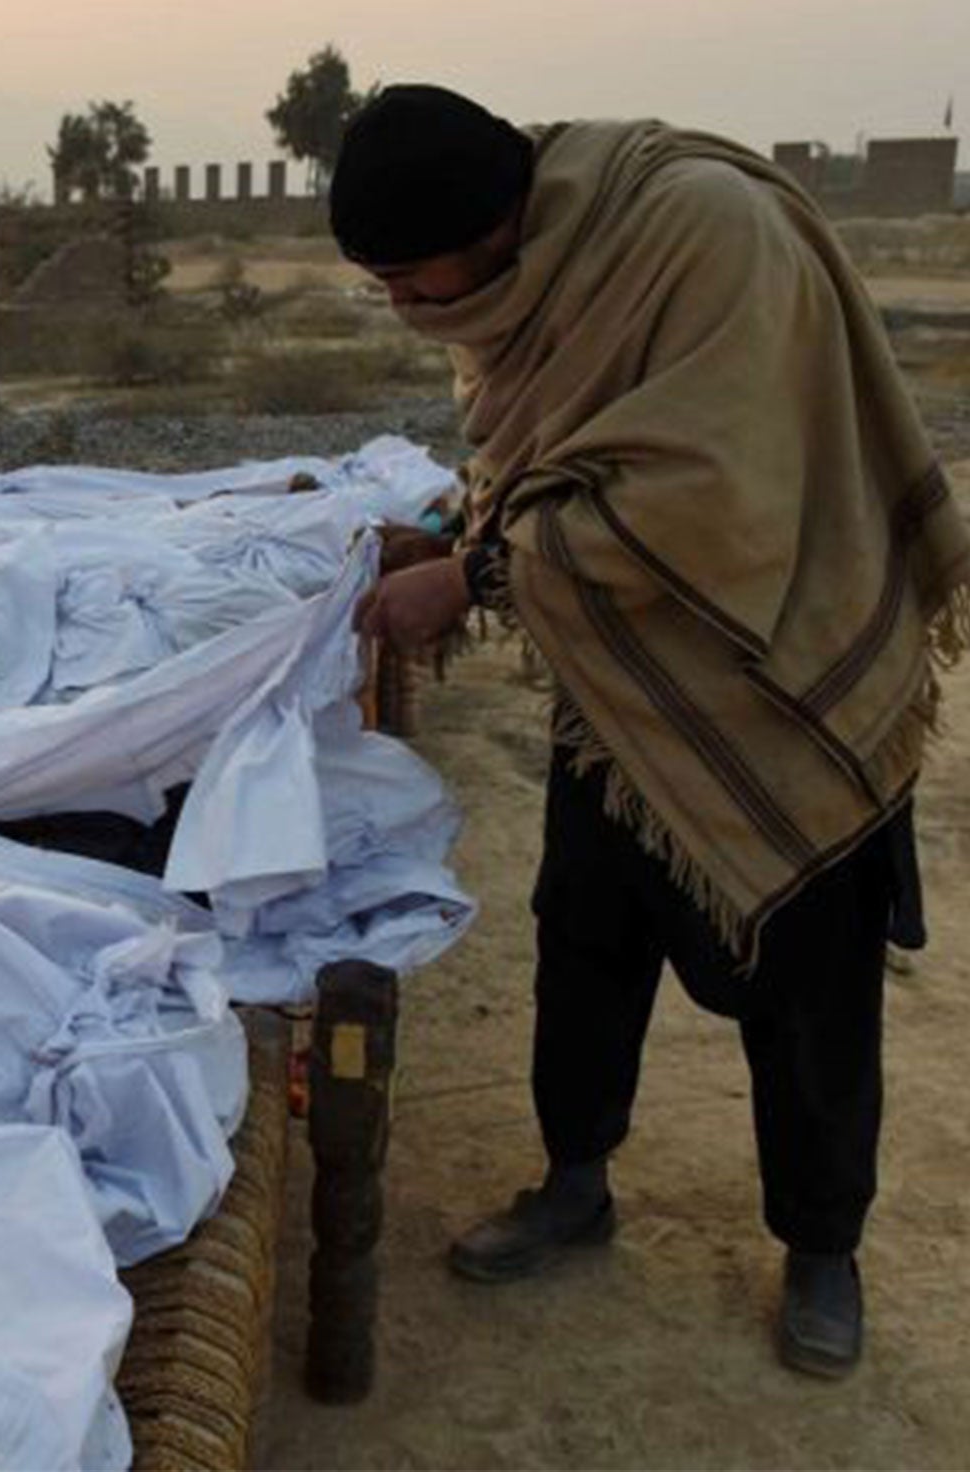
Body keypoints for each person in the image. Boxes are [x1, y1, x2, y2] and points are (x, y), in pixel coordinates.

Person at [340, 84, 969, 1378]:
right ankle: (577, 1182)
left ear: (491, 220)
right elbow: (555, 461)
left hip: (780, 663)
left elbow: (708, 489)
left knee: (811, 989)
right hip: (627, 679)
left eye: (411, 279)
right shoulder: (543, 269)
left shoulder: (702, 234)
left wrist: (471, 580)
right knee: (585, 934)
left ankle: (823, 1247)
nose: (406, 309)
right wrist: (462, 536)